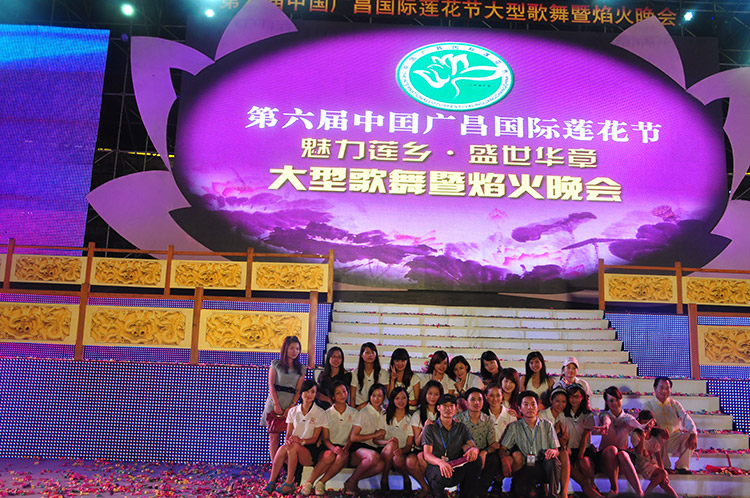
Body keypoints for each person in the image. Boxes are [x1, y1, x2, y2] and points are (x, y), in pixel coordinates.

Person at [265, 380, 326, 495]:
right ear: (301, 393)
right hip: (293, 446)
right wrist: (288, 441)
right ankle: (272, 482)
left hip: (309, 449)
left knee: (293, 447)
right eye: (306, 391)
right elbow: (288, 434)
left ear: (316, 394)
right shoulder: (293, 411)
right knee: (283, 448)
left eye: (312, 392)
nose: (309, 395)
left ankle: (289, 483)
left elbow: (314, 439)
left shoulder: (320, 413)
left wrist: (300, 441)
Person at [499, 391, 561, 498]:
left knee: (554, 461)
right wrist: (504, 460)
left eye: (533, 404)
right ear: (520, 408)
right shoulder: (514, 427)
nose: (530, 408)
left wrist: (553, 451)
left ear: (537, 407)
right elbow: (503, 448)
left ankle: (553, 495)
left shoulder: (547, 425)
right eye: (526, 404)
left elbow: (556, 450)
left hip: (543, 464)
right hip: (525, 465)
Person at [300, 381, 356, 496]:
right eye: (338, 393)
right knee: (329, 455)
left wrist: (345, 448)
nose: (342, 395)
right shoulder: (327, 414)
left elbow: (352, 436)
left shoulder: (354, 413)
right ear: (333, 396)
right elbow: (325, 438)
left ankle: (321, 482)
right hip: (329, 446)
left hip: (346, 447)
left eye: (344, 391)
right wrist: (334, 448)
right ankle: (309, 483)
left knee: (342, 456)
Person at [422, 393, 482, 498]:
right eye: (445, 405)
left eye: (451, 406)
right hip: (437, 466)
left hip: (456, 465)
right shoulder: (431, 428)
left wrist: (474, 450)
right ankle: (438, 495)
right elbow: (427, 455)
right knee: (441, 473)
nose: (448, 408)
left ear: (455, 408)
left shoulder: (461, 427)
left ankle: (467, 494)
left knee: (476, 459)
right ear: (438, 408)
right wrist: (440, 463)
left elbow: (473, 446)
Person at [598, 386, 653, 497]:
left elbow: (630, 421)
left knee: (623, 454)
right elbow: (606, 420)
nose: (615, 403)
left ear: (621, 399)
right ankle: (614, 488)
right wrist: (606, 425)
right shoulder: (604, 414)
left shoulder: (626, 417)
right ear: (607, 402)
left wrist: (641, 426)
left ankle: (639, 492)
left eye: (617, 400)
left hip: (622, 458)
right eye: (611, 401)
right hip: (605, 458)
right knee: (612, 450)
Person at [261, 335, 307, 461]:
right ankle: (274, 465)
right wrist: (276, 404)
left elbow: (299, 390)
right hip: (275, 401)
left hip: (291, 403)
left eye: (297, 349)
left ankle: (287, 464)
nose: (295, 351)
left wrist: (292, 406)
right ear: (285, 349)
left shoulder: (301, 368)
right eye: (291, 348)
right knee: (274, 437)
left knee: (290, 438)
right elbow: (271, 384)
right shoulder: (276, 364)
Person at [642, 377, 697, 473]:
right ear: (655, 389)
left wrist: (693, 434)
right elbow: (646, 425)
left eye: (667, 388)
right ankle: (664, 467)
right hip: (658, 439)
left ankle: (681, 467)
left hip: (674, 438)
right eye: (661, 388)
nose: (664, 391)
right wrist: (658, 430)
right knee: (658, 436)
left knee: (689, 436)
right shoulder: (648, 405)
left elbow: (685, 417)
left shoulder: (675, 404)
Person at [454, 387, 499, 498]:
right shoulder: (458, 420)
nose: (477, 403)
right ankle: (467, 493)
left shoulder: (488, 420)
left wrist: (484, 452)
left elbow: (493, 444)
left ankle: (481, 491)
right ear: (466, 402)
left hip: (482, 452)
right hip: (464, 453)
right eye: (473, 399)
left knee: (494, 459)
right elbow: (454, 442)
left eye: (479, 399)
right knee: (471, 460)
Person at [344, 383, 387, 494]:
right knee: (373, 457)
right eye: (373, 396)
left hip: (375, 446)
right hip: (360, 446)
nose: (376, 399)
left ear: (384, 397)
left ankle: (353, 480)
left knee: (381, 465)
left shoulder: (384, 413)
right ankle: (352, 481)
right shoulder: (364, 412)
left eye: (379, 396)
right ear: (370, 397)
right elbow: (353, 437)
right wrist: (374, 435)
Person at [406, 379, 444, 498]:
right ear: (425, 394)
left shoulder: (444, 413)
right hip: (422, 448)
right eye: (430, 393)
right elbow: (417, 442)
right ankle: (426, 487)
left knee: (421, 457)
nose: (432, 397)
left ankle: (434, 487)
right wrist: (425, 429)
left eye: (436, 394)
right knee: (412, 460)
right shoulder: (418, 414)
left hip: (439, 450)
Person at [564, 385, 602, 498]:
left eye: (577, 397)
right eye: (571, 396)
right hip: (568, 450)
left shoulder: (587, 414)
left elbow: (585, 437)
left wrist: (579, 458)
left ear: (582, 398)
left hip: (583, 449)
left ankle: (592, 487)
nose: (573, 399)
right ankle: (593, 490)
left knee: (584, 462)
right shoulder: (563, 414)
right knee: (584, 481)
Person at [631, 411, 678, 497]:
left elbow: (659, 458)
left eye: (649, 423)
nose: (647, 426)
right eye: (644, 423)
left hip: (653, 464)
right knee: (662, 474)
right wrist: (643, 436)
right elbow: (639, 451)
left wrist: (664, 475)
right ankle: (646, 495)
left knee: (664, 482)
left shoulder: (654, 438)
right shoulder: (636, 435)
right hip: (642, 464)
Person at [484, 382, 517, 495]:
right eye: (491, 395)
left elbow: (513, 438)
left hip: (505, 449)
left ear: (502, 396)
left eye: (498, 395)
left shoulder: (510, 414)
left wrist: (503, 448)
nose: (495, 399)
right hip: (489, 448)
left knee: (509, 459)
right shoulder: (482, 414)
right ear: (486, 396)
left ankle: (498, 483)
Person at [539, 388, 571, 498]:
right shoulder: (542, 415)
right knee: (551, 457)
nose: (560, 405)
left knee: (565, 454)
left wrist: (564, 441)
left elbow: (562, 440)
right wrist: (556, 431)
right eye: (557, 401)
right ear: (551, 400)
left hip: (557, 448)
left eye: (563, 402)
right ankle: (546, 491)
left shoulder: (563, 416)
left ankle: (564, 492)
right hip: (543, 447)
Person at [381, 386, 414, 491]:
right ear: (392, 400)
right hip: (385, 451)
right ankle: (385, 478)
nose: (401, 401)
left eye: (403, 398)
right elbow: (376, 440)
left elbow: (409, 445)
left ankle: (406, 479)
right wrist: (388, 442)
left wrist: (401, 451)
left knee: (397, 458)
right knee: (393, 443)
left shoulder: (410, 419)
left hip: (401, 452)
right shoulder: (384, 416)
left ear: (407, 399)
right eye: (397, 398)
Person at [350, 342, 383, 409]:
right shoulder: (355, 373)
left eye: (372, 352)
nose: (370, 355)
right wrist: (353, 412)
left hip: (377, 407)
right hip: (359, 407)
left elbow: (384, 395)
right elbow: (352, 397)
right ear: (362, 355)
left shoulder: (382, 373)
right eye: (367, 353)